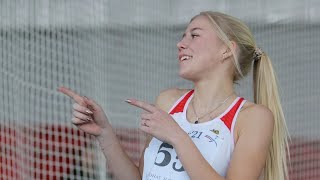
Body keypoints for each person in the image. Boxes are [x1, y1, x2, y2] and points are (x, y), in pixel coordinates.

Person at [58, 11, 289, 180]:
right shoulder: (168, 101)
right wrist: (104, 133)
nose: (180, 44)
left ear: (227, 49)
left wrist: (178, 137)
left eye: (194, 35)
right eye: (183, 36)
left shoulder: (253, 117)